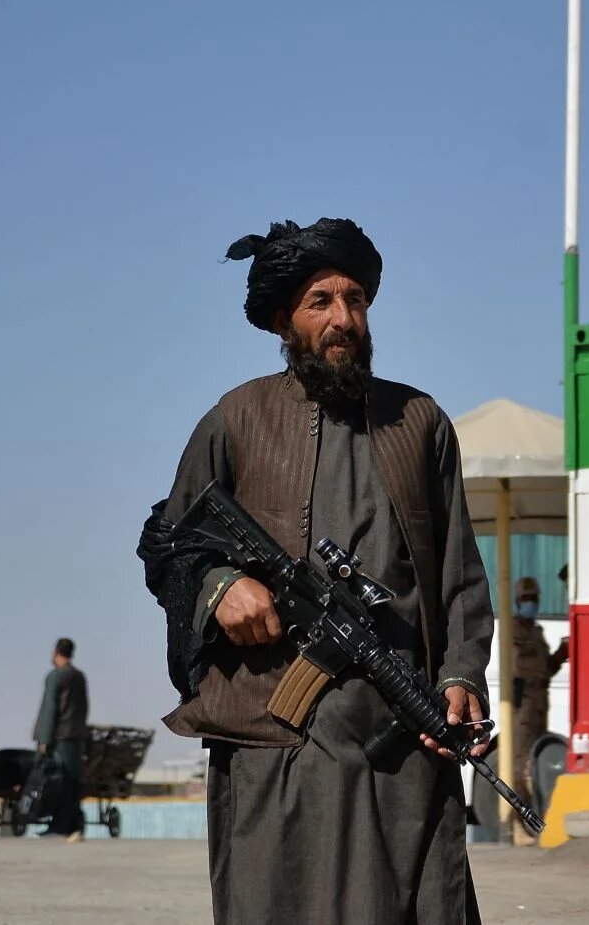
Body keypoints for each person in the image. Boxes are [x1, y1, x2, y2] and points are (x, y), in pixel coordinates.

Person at [139, 217, 495, 925]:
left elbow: (459, 575)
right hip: (275, 741)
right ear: (283, 320)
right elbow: (169, 542)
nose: (343, 319)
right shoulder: (237, 418)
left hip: (396, 739)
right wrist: (219, 586)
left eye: (355, 299)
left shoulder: (418, 422)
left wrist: (459, 676)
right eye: (320, 302)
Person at [507, 576, 568, 847]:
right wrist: (543, 669)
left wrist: (560, 654)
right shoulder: (513, 630)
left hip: (539, 705)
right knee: (519, 767)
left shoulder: (536, 631)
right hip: (523, 707)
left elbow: (545, 669)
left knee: (534, 766)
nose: (530, 604)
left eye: (534, 599)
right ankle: (515, 824)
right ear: (517, 601)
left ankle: (532, 821)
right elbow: (520, 667)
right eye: (526, 599)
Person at [33, 636, 91, 841]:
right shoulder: (79, 676)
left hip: (60, 738)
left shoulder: (55, 677)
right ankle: (74, 824)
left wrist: (44, 739)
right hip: (76, 736)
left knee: (60, 782)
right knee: (73, 782)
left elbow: (50, 709)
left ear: (56, 652)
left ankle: (60, 826)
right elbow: (84, 706)